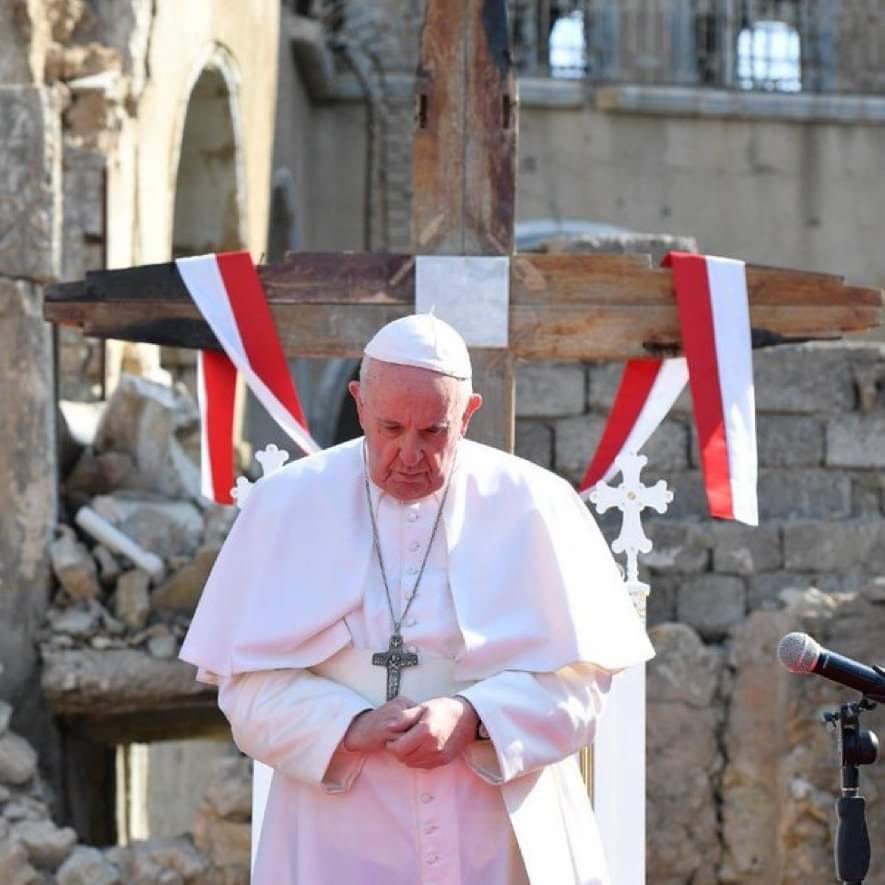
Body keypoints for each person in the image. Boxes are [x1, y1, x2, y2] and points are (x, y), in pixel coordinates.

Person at [180, 313, 654, 884]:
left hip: (491, 829)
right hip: (337, 831)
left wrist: (475, 717)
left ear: (468, 414)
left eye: (434, 432)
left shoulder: (535, 503)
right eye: (390, 428)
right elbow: (247, 691)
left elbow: (580, 690)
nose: (409, 454)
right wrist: (346, 725)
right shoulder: (288, 503)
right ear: (359, 403)